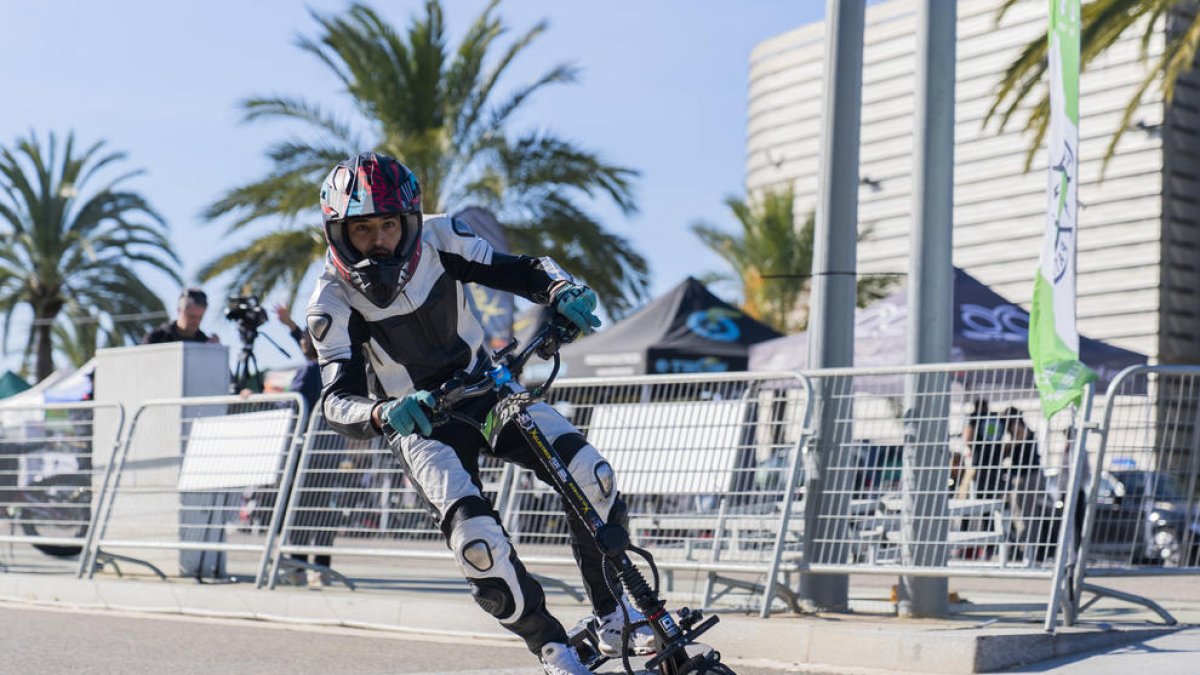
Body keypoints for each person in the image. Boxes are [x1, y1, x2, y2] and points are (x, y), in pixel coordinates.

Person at [305, 152, 651, 674]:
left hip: (489, 392)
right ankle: (555, 651)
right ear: (338, 232)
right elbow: (334, 401)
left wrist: (562, 289)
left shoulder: (441, 239)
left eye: (389, 224)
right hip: (421, 428)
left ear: (410, 222)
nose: (379, 240)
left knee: (592, 475)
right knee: (479, 547)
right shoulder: (330, 300)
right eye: (362, 228)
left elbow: (521, 269)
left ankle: (614, 617)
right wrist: (384, 413)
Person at [1001, 407, 1052, 562]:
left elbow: (1019, 437)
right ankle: (1030, 550)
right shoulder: (1027, 430)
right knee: (1030, 516)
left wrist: (1004, 447)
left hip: (1026, 478)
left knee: (1023, 515)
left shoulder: (1019, 429)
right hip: (1032, 476)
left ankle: (1027, 551)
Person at [143, 288, 221, 344]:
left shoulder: (204, 342)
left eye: (200, 317)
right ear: (179, 310)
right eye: (192, 317)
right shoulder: (156, 338)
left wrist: (214, 352)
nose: (196, 321)